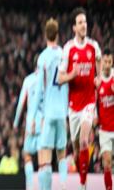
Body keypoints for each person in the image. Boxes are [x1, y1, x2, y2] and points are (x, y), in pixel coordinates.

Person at [58, 7, 101, 190]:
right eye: (80, 23)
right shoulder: (68, 48)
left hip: (89, 102)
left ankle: (83, 186)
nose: (84, 25)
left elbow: (99, 67)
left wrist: (99, 78)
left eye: (85, 22)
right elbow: (60, 78)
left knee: (84, 140)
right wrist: (72, 75)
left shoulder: (94, 46)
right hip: (73, 106)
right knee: (76, 152)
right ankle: (81, 173)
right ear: (74, 27)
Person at [29, 18, 68, 190]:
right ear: (57, 35)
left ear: (46, 35)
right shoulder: (64, 54)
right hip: (62, 112)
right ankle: (64, 186)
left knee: (45, 156)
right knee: (62, 155)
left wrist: (32, 118)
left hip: (48, 113)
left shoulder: (42, 57)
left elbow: (38, 91)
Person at [13, 56, 43, 190]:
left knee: (27, 155)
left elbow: (21, 104)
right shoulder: (47, 80)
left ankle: (30, 187)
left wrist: (16, 123)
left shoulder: (28, 80)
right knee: (43, 159)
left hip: (31, 123)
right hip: (43, 124)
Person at [97, 48, 113, 190]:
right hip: (105, 131)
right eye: (105, 62)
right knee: (107, 162)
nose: (107, 65)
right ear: (101, 62)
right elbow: (93, 102)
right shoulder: (97, 80)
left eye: (109, 62)